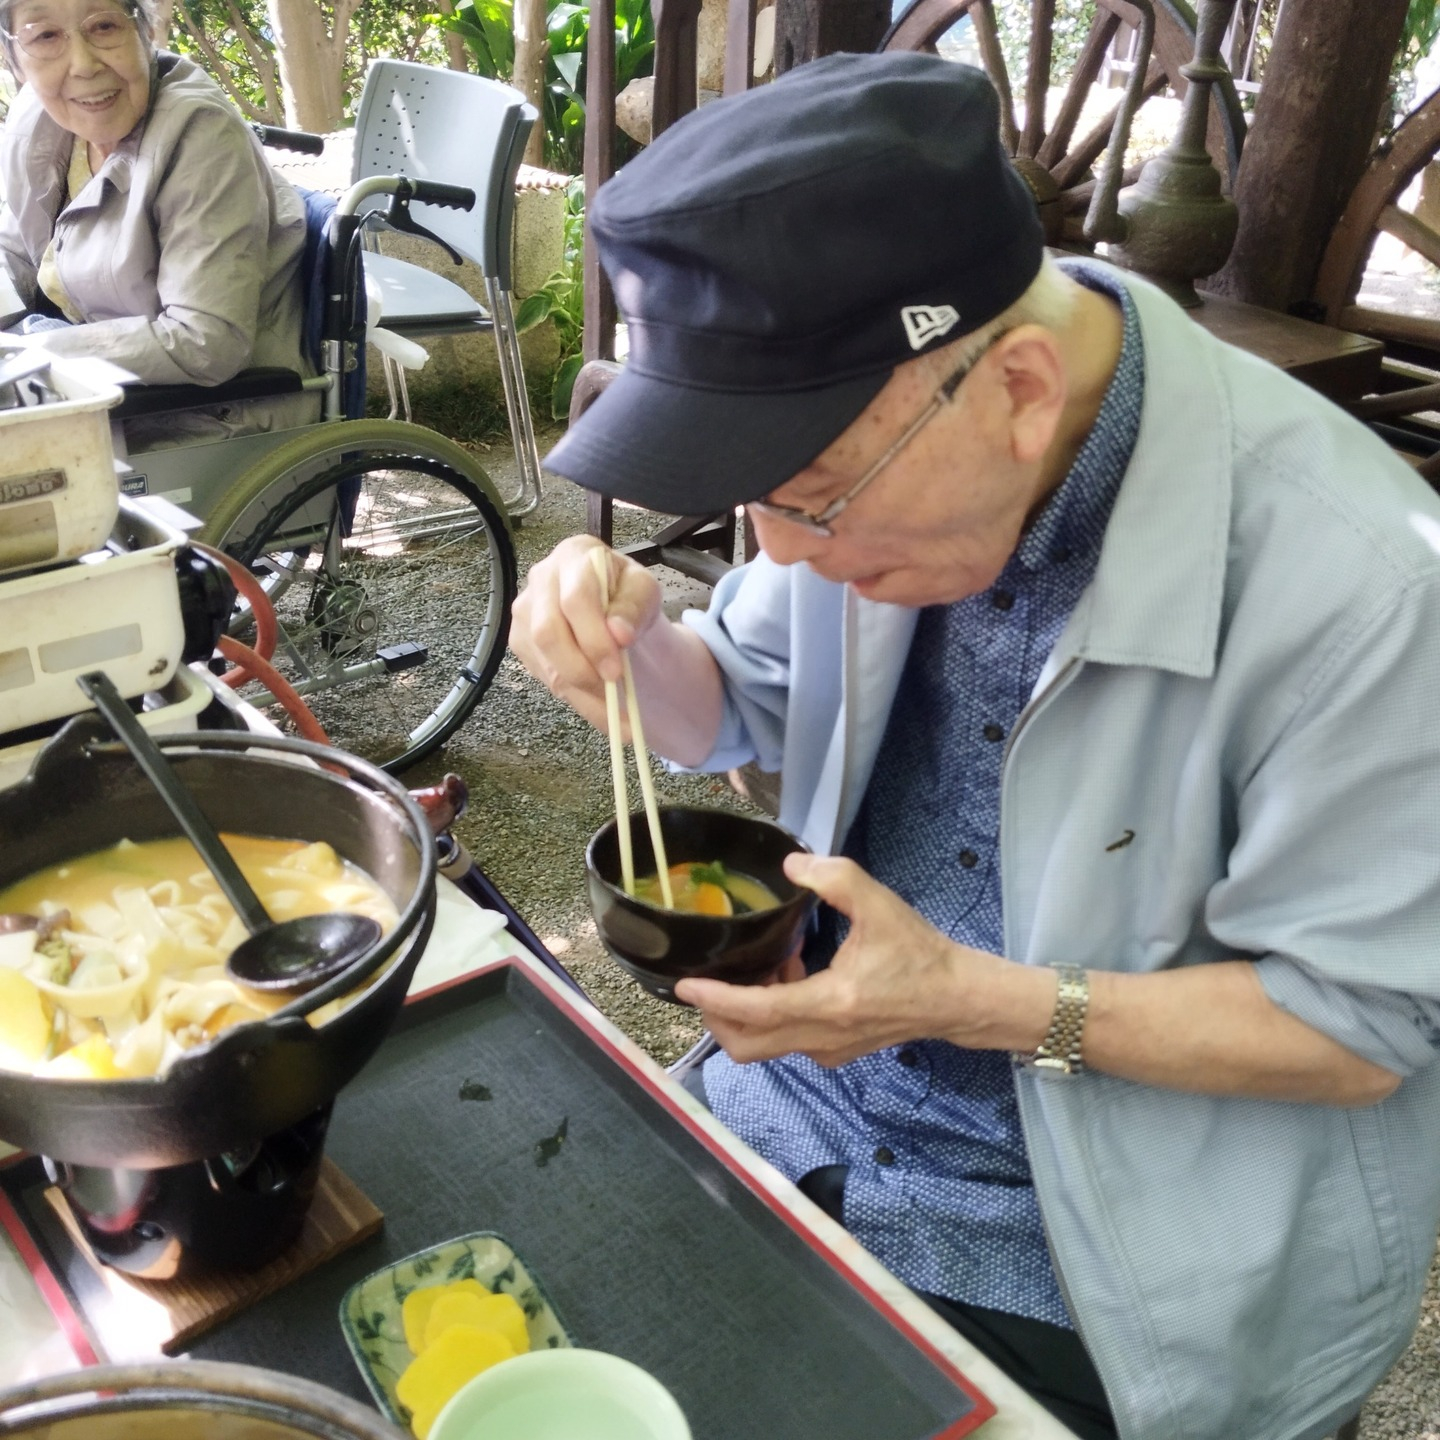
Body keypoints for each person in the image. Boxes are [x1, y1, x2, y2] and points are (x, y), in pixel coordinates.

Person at [510, 51, 1440, 1440]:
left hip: (1108, 1261)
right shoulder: (879, 461)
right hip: (804, 1116)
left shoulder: (1368, 584)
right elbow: (738, 700)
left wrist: (966, 997)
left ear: (1013, 385)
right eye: (751, 499)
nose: (778, 550)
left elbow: (1364, 1026)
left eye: (811, 497)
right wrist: (624, 652)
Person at [0, 0, 315, 443]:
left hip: (205, 418)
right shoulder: (42, 118)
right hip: (102, 391)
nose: (84, 65)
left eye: (104, 26)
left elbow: (207, 342)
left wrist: (30, 353)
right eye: (46, 36)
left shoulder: (201, 136)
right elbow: (15, 248)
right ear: (13, 57)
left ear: (146, 32)